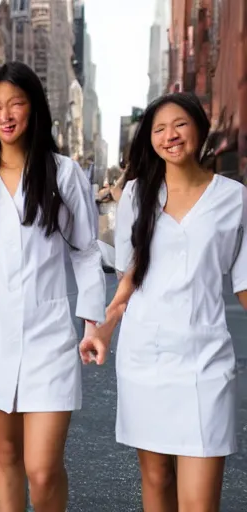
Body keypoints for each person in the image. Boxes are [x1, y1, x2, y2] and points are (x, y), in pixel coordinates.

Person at [0, 61, 107, 512]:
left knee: (43, 467)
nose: (4, 115)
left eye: (16, 104)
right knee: (6, 455)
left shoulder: (63, 173)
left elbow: (86, 252)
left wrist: (92, 323)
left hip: (48, 335)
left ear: (34, 110)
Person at [97, 92, 243, 512]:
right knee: (157, 480)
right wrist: (105, 329)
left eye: (179, 124)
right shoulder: (137, 194)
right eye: (159, 129)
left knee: (199, 503)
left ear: (199, 127)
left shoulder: (234, 198)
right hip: (146, 357)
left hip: (207, 361)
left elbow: (245, 282)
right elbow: (129, 275)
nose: (170, 136)